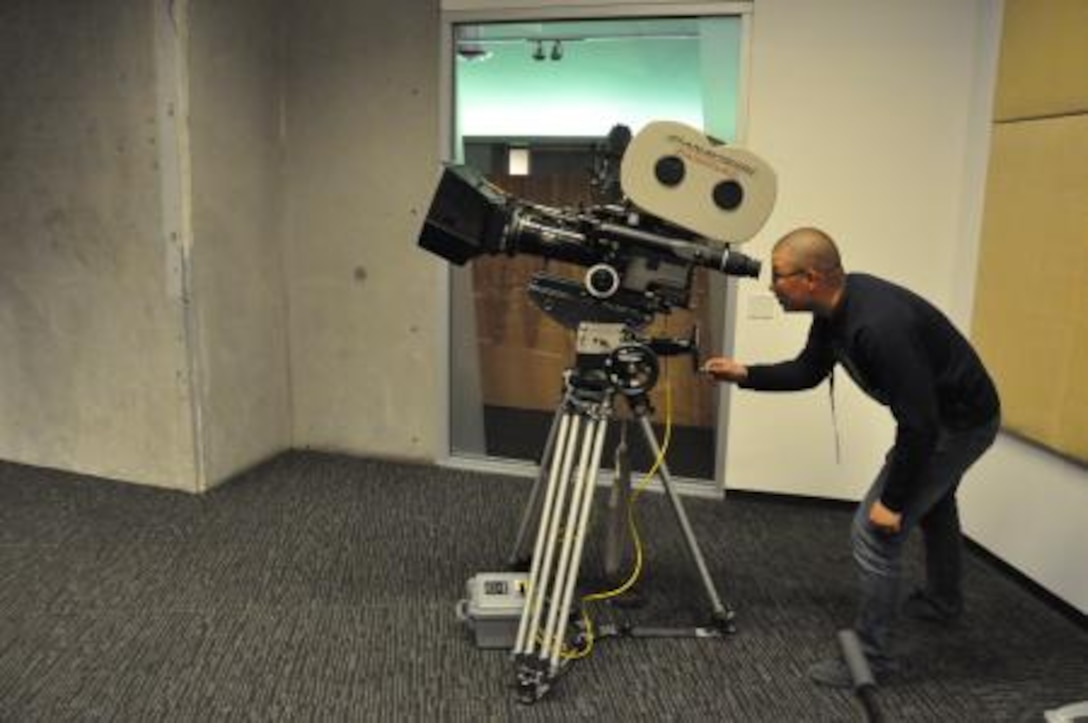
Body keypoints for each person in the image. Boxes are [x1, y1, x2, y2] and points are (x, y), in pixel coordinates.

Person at [703, 227, 1000, 688]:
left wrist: (894, 502)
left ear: (813, 277)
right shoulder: (833, 309)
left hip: (958, 424)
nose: (772, 286)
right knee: (936, 505)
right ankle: (943, 602)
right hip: (940, 419)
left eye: (779, 276)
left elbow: (919, 424)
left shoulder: (877, 326)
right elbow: (808, 371)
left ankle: (872, 659)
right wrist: (745, 373)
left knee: (875, 532)